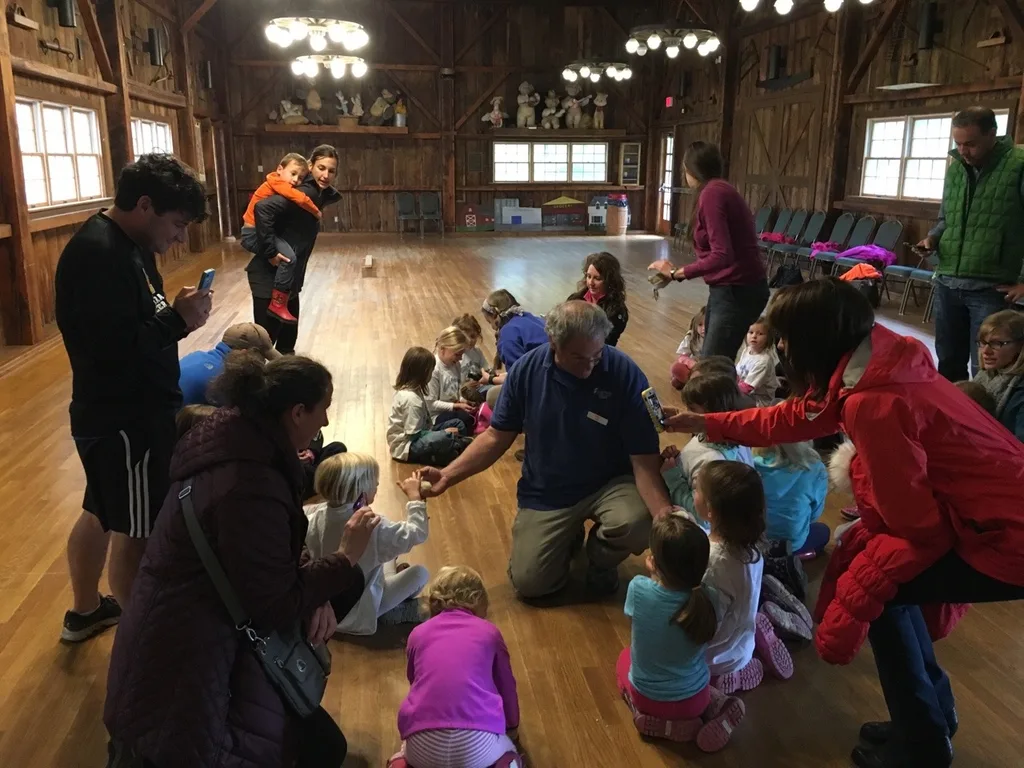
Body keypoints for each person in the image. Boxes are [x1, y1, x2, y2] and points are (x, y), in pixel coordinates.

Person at [663, 278, 1024, 768]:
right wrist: (707, 422)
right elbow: (791, 418)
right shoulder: (879, 362)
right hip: (996, 516)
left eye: (785, 338)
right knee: (897, 597)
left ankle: (921, 742)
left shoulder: (872, 402)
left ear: (811, 339)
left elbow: (914, 525)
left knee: (886, 598)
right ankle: (928, 721)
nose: (781, 348)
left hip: (1006, 535)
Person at [104, 352, 378, 768]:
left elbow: (268, 552)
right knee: (324, 750)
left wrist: (316, 588)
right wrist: (345, 557)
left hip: (196, 627)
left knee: (324, 745)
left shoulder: (239, 444)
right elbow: (272, 604)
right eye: (323, 409)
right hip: (193, 666)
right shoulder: (250, 483)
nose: (325, 421)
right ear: (297, 412)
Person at [54, 154, 211, 643]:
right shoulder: (100, 255)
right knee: (136, 531)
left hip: (120, 415)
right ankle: (144, 648)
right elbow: (112, 351)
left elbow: (132, 324)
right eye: (177, 224)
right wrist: (177, 321)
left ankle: (85, 612)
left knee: (102, 510)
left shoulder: (126, 244)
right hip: (127, 419)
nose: (180, 237)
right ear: (145, 205)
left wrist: (174, 314)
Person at [421, 301, 673, 599]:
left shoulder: (624, 372)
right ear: (554, 343)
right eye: (578, 357)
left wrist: (665, 517)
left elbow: (643, 459)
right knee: (530, 585)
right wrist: (447, 475)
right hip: (548, 489)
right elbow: (495, 437)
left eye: (596, 356)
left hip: (610, 483)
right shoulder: (526, 372)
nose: (590, 367)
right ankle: (567, 537)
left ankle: (599, 561)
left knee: (639, 522)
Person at [618, 515, 746, 753]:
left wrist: (654, 577)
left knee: (624, 659)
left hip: (648, 699)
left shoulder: (637, 588)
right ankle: (718, 705)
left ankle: (653, 719)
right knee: (692, 677)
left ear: (654, 563)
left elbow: (635, 624)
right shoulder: (709, 598)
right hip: (695, 700)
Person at [915, 107, 1024, 381]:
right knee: (948, 360)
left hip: (991, 288)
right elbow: (946, 219)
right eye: (958, 143)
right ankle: (952, 408)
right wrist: (933, 238)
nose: (963, 151)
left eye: (971, 144)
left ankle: (983, 410)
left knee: (987, 369)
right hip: (947, 282)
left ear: (992, 134)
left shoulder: (1019, 165)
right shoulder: (956, 169)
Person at [389, 566, 521, 768]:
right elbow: (506, 685)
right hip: (476, 744)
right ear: (479, 602)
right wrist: (512, 724)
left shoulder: (417, 634)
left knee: (405, 751)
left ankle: (399, 763)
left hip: (423, 743)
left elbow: (415, 681)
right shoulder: (490, 633)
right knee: (508, 750)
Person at [680, 461, 794, 695]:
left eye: (697, 489)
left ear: (711, 510)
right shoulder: (750, 548)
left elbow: (704, 626)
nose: (693, 492)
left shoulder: (711, 565)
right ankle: (749, 650)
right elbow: (712, 538)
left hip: (714, 660)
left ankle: (723, 682)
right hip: (742, 644)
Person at [648, 141, 769, 360]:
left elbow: (722, 255)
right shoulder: (718, 190)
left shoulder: (712, 194)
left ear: (689, 170)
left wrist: (676, 273)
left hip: (738, 290)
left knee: (713, 364)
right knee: (712, 360)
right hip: (730, 288)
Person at [305, 453, 429, 633]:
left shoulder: (313, 517)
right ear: (362, 493)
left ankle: (390, 595)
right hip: (361, 612)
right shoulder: (375, 526)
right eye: (375, 484)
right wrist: (415, 497)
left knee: (386, 555)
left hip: (326, 608)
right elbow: (417, 532)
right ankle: (390, 612)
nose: (377, 486)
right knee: (420, 573)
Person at [248, 145, 341, 353]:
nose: (326, 175)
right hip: (269, 279)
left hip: (287, 282)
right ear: (310, 166)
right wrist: (271, 252)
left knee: (286, 345)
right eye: (321, 168)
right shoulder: (303, 192)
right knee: (264, 347)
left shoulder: (315, 193)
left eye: (331, 171)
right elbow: (262, 208)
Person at [660, 374, 754, 529]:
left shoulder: (711, 462)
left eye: (691, 409)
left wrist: (672, 476)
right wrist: (679, 460)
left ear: (712, 412)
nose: (686, 413)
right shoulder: (736, 440)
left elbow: (701, 515)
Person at [239, 152, 323, 324]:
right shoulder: (277, 182)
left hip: (257, 231)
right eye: (293, 174)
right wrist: (316, 211)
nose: (295, 180)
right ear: (279, 169)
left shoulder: (277, 183)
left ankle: (281, 298)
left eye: (300, 178)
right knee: (289, 258)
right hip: (252, 234)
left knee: (288, 257)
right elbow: (299, 198)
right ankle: (278, 303)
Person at [755, 441, 829, 602]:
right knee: (823, 531)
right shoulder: (815, 468)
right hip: (794, 542)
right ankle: (791, 557)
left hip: (757, 542)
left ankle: (771, 560)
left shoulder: (753, 465)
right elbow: (815, 514)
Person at [388, 346, 470, 467]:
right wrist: (444, 432)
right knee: (446, 436)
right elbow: (413, 435)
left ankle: (454, 447)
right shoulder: (411, 400)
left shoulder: (415, 390)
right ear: (423, 373)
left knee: (458, 424)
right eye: (431, 371)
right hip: (406, 446)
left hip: (423, 431)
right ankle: (454, 448)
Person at [179, 322, 281, 405]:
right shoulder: (225, 377)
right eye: (261, 357)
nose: (262, 362)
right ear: (245, 353)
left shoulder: (197, 354)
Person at [972, 309, 1024, 441]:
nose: (986, 351)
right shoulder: (986, 375)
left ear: (1020, 346)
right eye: (983, 342)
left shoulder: (1020, 391)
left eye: (996, 343)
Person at [567, 251, 629, 346]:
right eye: (589, 276)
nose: (591, 282)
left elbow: (606, 341)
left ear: (610, 280)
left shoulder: (617, 311)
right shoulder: (574, 299)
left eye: (597, 278)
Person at [427, 326, 475, 434]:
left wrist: (464, 401)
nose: (461, 358)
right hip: (435, 417)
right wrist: (456, 406)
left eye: (462, 354)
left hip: (452, 409)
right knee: (465, 420)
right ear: (442, 349)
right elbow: (431, 404)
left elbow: (455, 393)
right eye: (457, 354)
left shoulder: (456, 365)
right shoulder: (434, 370)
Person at [736, 317, 780, 407]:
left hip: (759, 401)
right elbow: (738, 373)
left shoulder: (763, 361)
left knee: (728, 400)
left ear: (768, 338)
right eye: (751, 332)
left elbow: (748, 388)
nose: (754, 336)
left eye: (760, 334)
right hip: (745, 393)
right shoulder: (747, 350)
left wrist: (728, 391)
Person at [670, 306, 705, 389]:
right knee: (675, 367)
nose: (703, 328)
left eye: (707, 324)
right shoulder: (691, 336)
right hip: (693, 367)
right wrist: (692, 364)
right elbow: (682, 357)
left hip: (707, 370)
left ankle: (689, 383)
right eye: (700, 325)